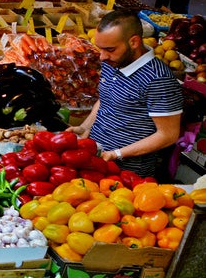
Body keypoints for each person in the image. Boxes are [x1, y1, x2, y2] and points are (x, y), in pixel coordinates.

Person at [70, 10, 182, 178]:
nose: (102, 57)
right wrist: (84, 127)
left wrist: (116, 154)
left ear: (134, 42)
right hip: (95, 160)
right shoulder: (113, 62)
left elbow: (167, 135)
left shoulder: (158, 79)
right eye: (100, 49)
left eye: (109, 49)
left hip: (128, 173)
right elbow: (105, 99)